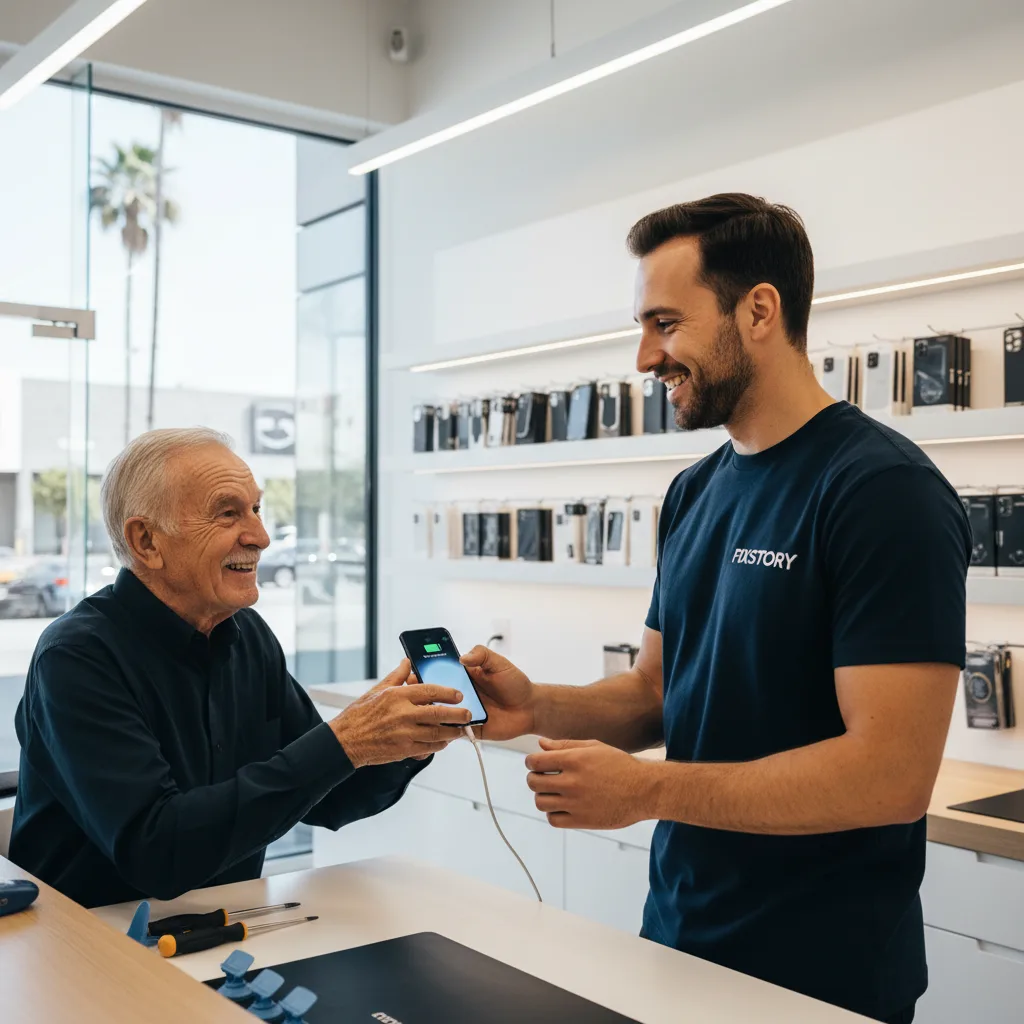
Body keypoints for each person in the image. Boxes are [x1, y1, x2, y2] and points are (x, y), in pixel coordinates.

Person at [460, 194, 970, 1024]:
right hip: (676, 941)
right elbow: (662, 693)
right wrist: (539, 707)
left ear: (759, 309)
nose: (643, 357)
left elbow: (891, 776)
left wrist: (649, 792)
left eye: (665, 323)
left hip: (819, 979)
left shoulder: (883, 493)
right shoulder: (695, 490)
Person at [10, 428, 471, 907]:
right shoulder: (76, 657)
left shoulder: (248, 637)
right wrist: (345, 742)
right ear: (146, 540)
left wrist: (408, 735)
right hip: (89, 945)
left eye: (256, 509)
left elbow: (332, 798)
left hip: (224, 927)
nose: (261, 537)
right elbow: (157, 852)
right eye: (228, 513)